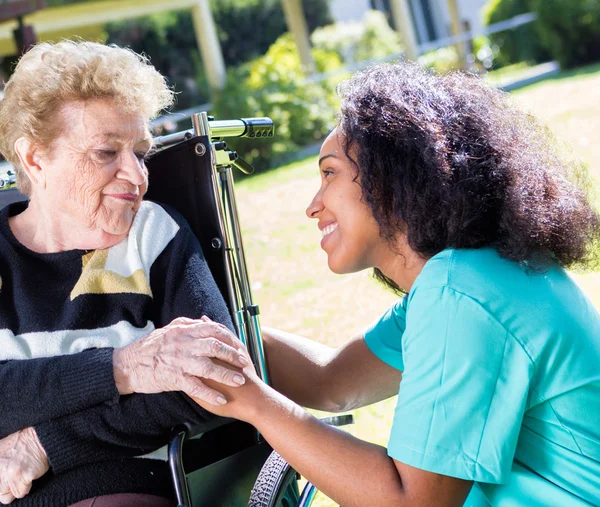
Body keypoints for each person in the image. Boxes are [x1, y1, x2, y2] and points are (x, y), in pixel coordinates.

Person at [194, 62, 600, 506]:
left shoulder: (463, 293)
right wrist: (198, 330)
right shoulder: (471, 276)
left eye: (329, 173)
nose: (313, 206)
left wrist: (256, 404)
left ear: (392, 177)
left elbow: (412, 502)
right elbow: (332, 381)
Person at [0, 41, 249, 506]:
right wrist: (123, 369)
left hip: (127, 490)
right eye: (106, 153)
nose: (136, 176)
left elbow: (215, 379)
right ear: (35, 159)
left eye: (140, 152)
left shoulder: (154, 235)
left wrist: (44, 444)